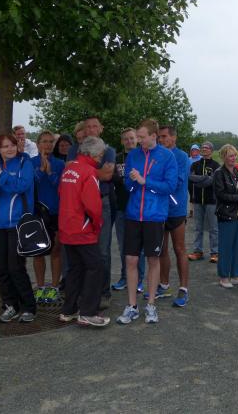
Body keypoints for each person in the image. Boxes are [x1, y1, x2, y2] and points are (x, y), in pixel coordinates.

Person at [116, 119, 177, 325]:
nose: (138, 140)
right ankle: (132, 306)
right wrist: (134, 182)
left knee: (153, 260)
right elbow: (127, 185)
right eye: (138, 137)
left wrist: (145, 181)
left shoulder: (167, 156)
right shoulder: (133, 155)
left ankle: (151, 304)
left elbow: (170, 186)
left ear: (153, 136)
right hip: (133, 215)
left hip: (154, 216)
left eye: (142, 137)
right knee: (131, 261)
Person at [0, 133, 37, 323]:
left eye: (12, 145)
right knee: (3, 269)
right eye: (5, 146)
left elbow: (21, 186)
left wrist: (0, 175)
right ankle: (10, 305)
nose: (10, 149)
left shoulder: (25, 163)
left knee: (16, 268)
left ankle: (29, 306)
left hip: (18, 224)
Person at [58, 136, 110, 327]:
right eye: (101, 154)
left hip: (67, 227)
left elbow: (61, 194)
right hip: (83, 229)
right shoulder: (89, 172)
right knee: (95, 268)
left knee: (75, 269)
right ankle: (88, 312)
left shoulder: (69, 168)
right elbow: (93, 206)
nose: (101, 158)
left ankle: (69, 310)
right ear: (94, 154)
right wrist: (97, 225)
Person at [70, 117, 117, 309]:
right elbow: (69, 170)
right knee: (81, 251)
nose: (90, 129)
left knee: (102, 251)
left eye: (94, 126)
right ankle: (84, 292)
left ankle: (103, 292)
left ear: (101, 129)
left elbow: (107, 175)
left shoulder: (109, 150)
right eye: (87, 126)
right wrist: (94, 171)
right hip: (78, 205)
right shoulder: (74, 148)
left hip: (101, 202)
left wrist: (82, 170)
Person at [155, 125, 191, 307]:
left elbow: (176, 182)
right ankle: (164, 285)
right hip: (159, 210)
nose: (161, 140)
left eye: (164, 136)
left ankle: (184, 289)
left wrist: (154, 184)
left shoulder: (182, 157)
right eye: (159, 137)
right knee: (161, 250)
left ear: (173, 138)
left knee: (179, 249)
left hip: (176, 210)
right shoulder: (156, 155)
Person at [31, 131, 65, 304]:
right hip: (37, 213)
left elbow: (62, 187)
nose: (48, 145)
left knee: (56, 250)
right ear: (38, 144)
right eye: (44, 141)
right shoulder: (30, 163)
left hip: (56, 212)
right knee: (38, 252)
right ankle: (40, 287)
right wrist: (40, 171)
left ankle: (54, 287)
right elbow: (29, 184)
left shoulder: (60, 163)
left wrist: (50, 173)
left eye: (51, 141)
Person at [213, 144, 238, 289]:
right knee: (226, 247)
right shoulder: (219, 173)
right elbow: (221, 195)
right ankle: (224, 277)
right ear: (224, 157)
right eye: (230, 155)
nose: (234, 158)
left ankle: (237, 276)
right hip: (227, 215)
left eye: (235, 155)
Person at [112, 128, 146, 292]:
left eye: (132, 138)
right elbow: (112, 177)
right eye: (126, 139)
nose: (129, 141)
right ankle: (125, 277)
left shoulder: (144, 156)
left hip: (139, 207)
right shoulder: (116, 158)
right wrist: (123, 178)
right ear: (122, 141)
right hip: (121, 207)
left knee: (139, 247)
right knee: (124, 246)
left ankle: (139, 279)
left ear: (137, 139)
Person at [188, 141, 220, 263]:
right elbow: (191, 178)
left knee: (213, 228)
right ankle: (198, 251)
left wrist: (200, 180)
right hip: (197, 200)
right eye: (203, 147)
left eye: (207, 148)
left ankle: (215, 252)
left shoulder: (216, 166)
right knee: (198, 227)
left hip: (211, 200)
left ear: (211, 150)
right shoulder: (195, 165)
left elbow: (213, 181)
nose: (204, 149)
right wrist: (206, 178)